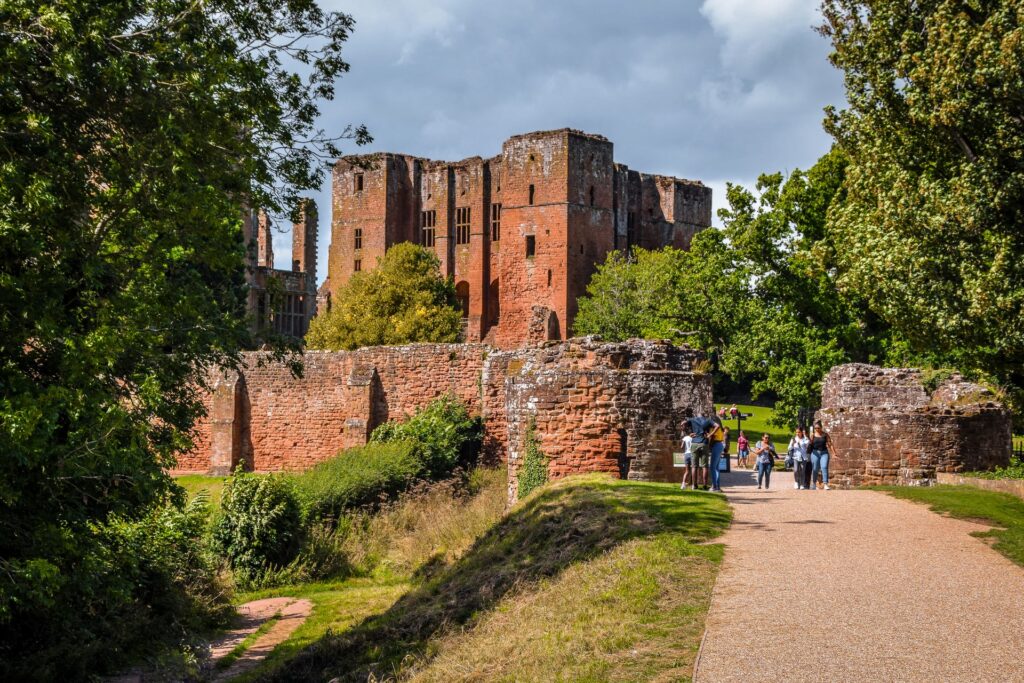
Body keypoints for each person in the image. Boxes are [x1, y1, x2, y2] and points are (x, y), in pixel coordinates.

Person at [686, 415, 713, 490]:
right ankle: (705, 485)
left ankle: (694, 485)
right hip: (704, 443)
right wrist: (710, 434)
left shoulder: (692, 419)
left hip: (694, 443)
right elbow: (717, 426)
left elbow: (683, 423)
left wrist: (688, 433)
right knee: (705, 466)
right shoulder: (707, 420)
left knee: (694, 466)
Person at [809, 421, 835, 490]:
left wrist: (834, 453)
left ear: (821, 427)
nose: (817, 429)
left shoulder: (825, 435)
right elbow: (809, 444)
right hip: (815, 453)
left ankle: (825, 484)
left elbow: (830, 444)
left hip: (824, 453)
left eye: (818, 428)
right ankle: (814, 483)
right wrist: (810, 439)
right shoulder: (813, 435)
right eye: (816, 428)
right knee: (815, 469)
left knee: (824, 467)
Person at [708, 415, 726, 492]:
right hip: (720, 445)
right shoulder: (721, 429)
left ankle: (714, 486)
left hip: (716, 445)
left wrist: (709, 447)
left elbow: (712, 438)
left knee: (712, 467)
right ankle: (717, 486)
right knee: (716, 468)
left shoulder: (713, 428)